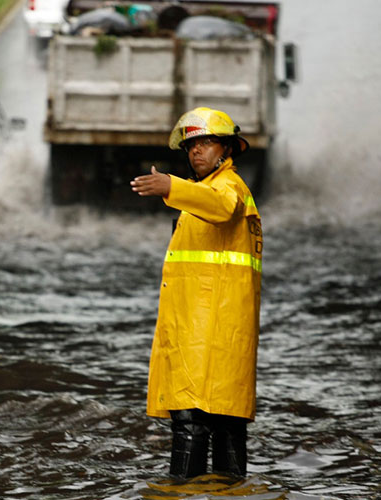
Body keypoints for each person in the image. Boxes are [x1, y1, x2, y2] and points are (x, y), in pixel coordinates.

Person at [130, 107, 263, 479]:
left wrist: (171, 187)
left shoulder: (228, 187)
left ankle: (181, 493)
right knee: (225, 423)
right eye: (191, 146)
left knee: (191, 421)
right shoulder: (205, 191)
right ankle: (229, 492)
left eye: (206, 143)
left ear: (227, 149)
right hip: (211, 331)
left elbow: (221, 207)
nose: (197, 151)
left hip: (210, 333)